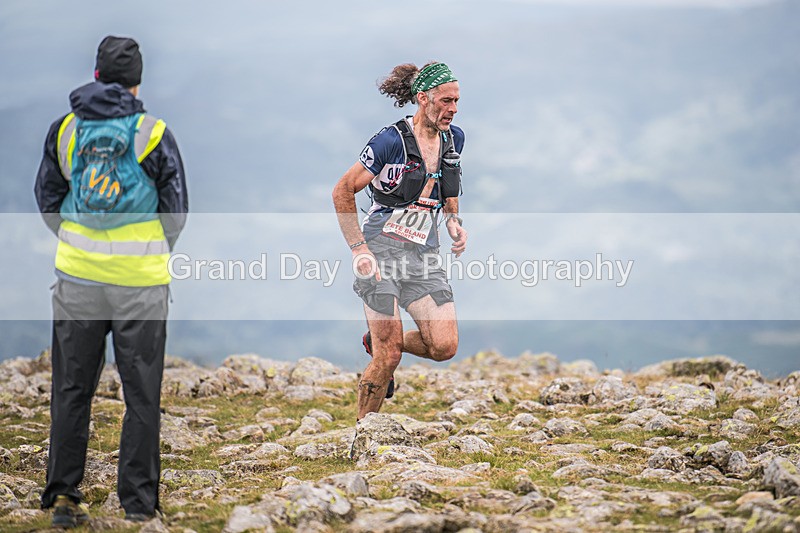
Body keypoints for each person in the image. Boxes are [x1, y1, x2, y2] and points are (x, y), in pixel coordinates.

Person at [34, 35, 188, 527]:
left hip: (77, 279)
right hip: (139, 283)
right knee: (141, 394)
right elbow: (175, 211)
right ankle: (139, 505)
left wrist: (81, 243)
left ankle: (62, 500)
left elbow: (48, 198)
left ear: (96, 76)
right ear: (137, 83)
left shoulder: (65, 130)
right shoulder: (152, 132)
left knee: (71, 388)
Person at [332, 61, 467, 422]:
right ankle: (365, 435)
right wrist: (359, 248)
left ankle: (375, 340)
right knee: (388, 356)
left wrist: (453, 220)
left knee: (443, 346)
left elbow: (448, 183)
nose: (452, 109)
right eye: (445, 101)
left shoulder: (455, 138)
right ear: (423, 99)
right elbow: (343, 190)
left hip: (423, 252)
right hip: (380, 249)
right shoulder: (390, 141)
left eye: (456, 101)